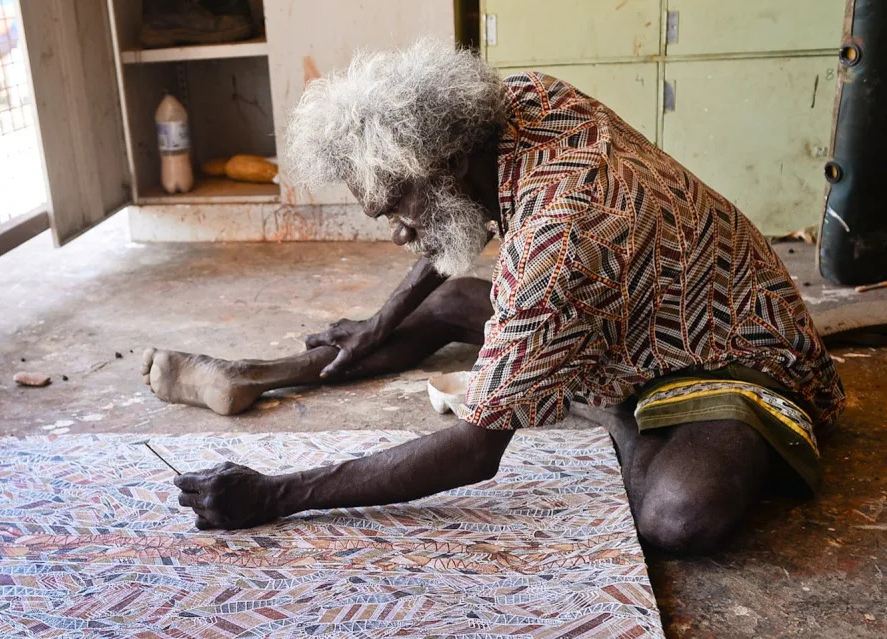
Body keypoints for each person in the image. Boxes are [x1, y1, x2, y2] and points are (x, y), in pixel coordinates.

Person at [146, 40, 845, 553]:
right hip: (634, 293)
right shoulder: (517, 102)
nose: (397, 233)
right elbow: (453, 226)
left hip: (732, 347)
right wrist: (379, 322)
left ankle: (609, 405)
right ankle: (253, 374)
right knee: (454, 303)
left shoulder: (557, 250)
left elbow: (473, 452)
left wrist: (277, 493)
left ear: (446, 161)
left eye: (397, 208)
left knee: (678, 516)